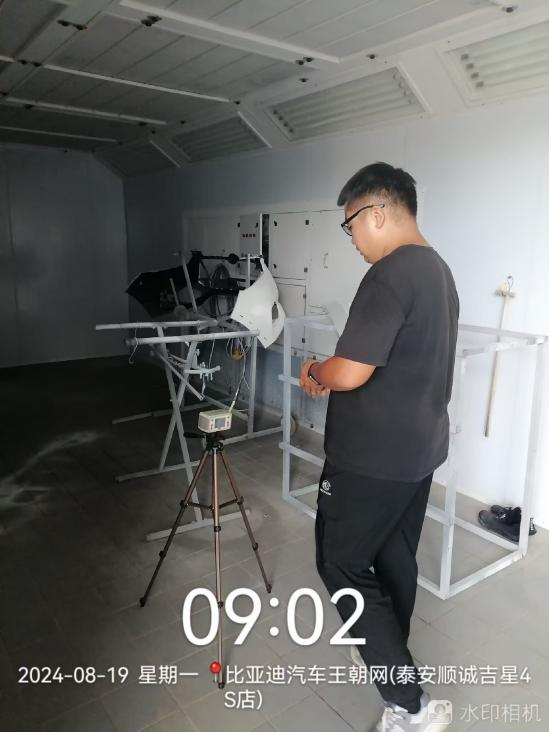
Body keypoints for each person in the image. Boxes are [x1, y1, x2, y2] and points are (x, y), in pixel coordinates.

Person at [299, 162, 459, 732]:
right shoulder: (438, 271)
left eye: (351, 226)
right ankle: (388, 647)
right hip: (418, 453)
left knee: (339, 561)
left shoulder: (389, 274)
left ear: (379, 212)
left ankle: (410, 705)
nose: (352, 239)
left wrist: (315, 370)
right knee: (393, 557)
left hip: (370, 459)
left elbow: (350, 372)